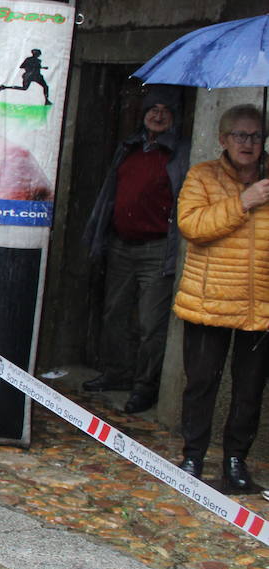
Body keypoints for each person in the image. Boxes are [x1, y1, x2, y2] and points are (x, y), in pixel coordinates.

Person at [172, 104, 269, 493]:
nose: (249, 143)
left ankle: (235, 461)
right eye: (240, 135)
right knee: (201, 382)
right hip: (208, 301)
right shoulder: (202, 176)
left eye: (256, 136)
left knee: (249, 389)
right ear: (223, 139)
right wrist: (243, 202)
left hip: (259, 304)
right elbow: (192, 225)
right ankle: (193, 455)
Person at [81, 88, 189, 414]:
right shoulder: (128, 147)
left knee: (151, 323)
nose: (158, 115)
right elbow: (110, 193)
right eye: (153, 109)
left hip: (157, 248)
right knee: (114, 313)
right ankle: (117, 373)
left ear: (175, 116)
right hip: (121, 245)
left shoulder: (179, 152)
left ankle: (145, 386)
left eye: (165, 110)